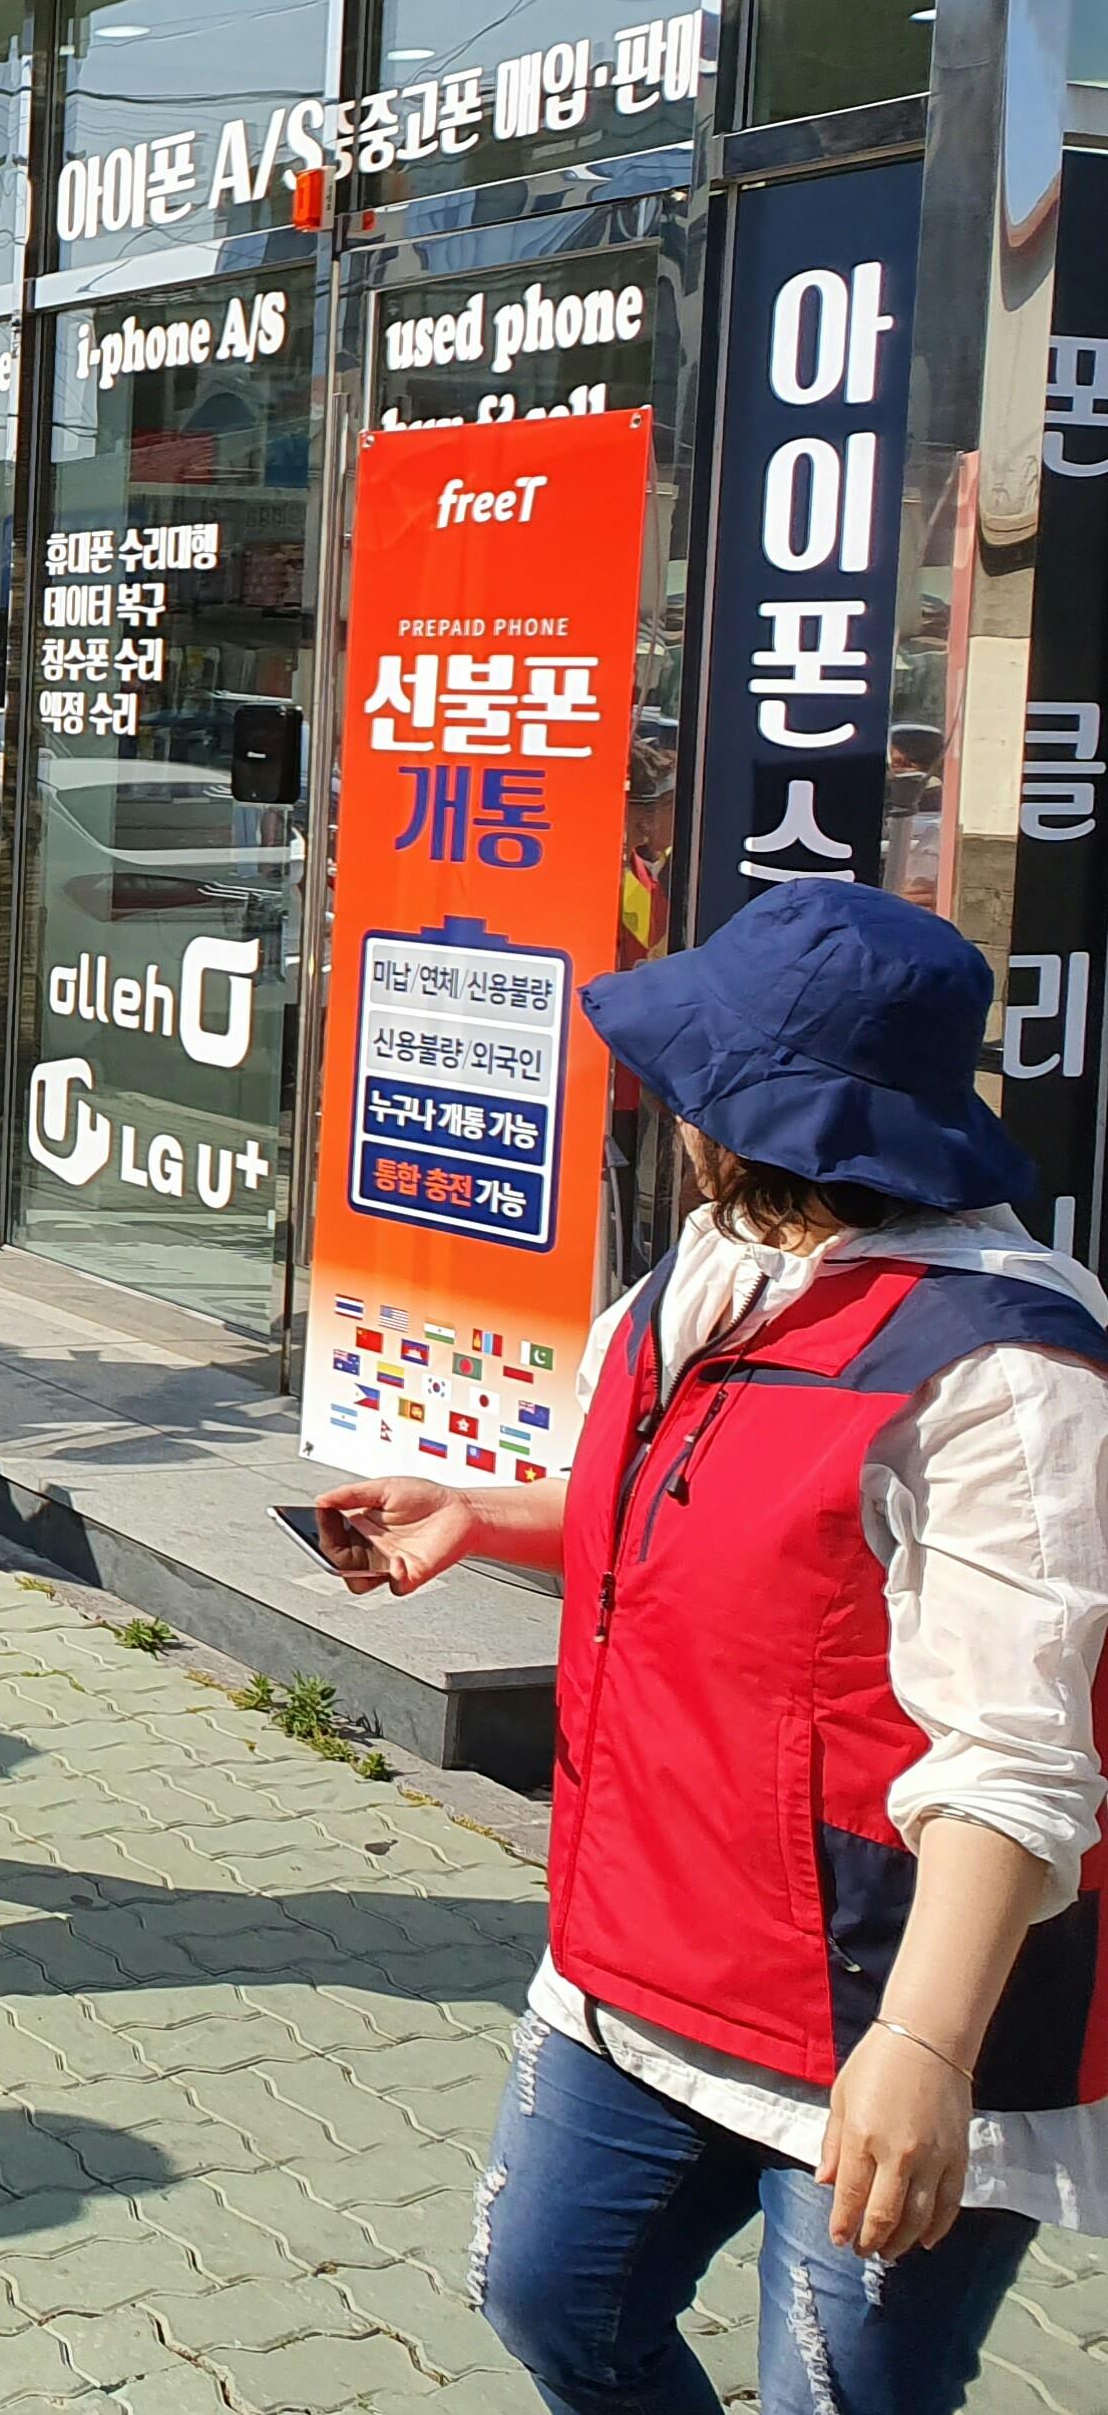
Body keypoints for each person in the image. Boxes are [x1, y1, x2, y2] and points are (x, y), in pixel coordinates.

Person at [315, 878, 1108, 2415]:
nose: (666, 1106)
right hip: (637, 1943)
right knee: (545, 2295)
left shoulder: (1005, 1371)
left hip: (875, 1996)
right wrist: (480, 1515)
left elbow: (1019, 1758)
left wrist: (929, 2052)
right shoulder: (707, 1277)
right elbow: (689, 1507)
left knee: (841, 2396)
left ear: (756, 1113)